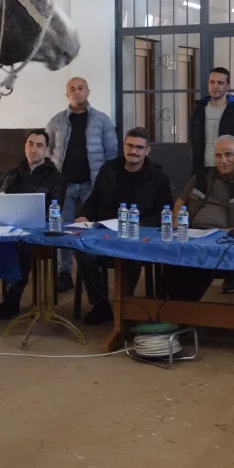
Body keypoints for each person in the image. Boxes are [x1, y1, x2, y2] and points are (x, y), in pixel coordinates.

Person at [71, 127, 173, 325]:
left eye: (139, 147)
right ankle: (100, 305)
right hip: (104, 233)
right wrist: (83, 214)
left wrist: (136, 224)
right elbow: (94, 199)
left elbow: (163, 214)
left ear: (147, 151)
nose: (133, 151)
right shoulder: (109, 170)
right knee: (82, 251)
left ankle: (123, 304)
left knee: (131, 256)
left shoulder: (159, 178)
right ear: (123, 146)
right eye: (129, 146)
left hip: (137, 235)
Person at [0, 129, 67, 321]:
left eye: (39, 145)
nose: (33, 149)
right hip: (4, 228)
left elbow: (55, 210)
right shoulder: (13, 172)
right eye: (30, 144)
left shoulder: (55, 178)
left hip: (33, 233)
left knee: (24, 249)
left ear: (47, 150)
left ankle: (12, 299)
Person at [166, 135, 234, 301]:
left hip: (225, 241)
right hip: (192, 235)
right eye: (218, 156)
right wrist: (176, 224)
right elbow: (181, 201)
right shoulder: (202, 176)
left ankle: (183, 310)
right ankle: (175, 310)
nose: (223, 160)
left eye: (228, 155)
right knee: (169, 262)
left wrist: (225, 233)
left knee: (196, 268)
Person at [46, 77, 118, 292]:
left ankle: (90, 271)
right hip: (64, 186)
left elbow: (112, 153)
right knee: (64, 230)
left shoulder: (102, 120)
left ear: (88, 91)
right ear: (67, 94)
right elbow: (47, 149)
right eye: (72, 89)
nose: (77, 92)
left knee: (89, 230)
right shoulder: (56, 121)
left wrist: (105, 183)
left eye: (80, 88)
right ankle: (64, 273)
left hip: (91, 186)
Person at [189, 67, 234, 178]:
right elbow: (194, 140)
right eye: (212, 82)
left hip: (231, 172)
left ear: (228, 86)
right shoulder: (199, 110)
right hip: (203, 171)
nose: (215, 86)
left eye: (220, 83)